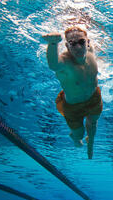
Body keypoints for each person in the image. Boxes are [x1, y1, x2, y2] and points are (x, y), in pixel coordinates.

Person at [43, 27, 102, 159]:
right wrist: (52, 44)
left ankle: (90, 142)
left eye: (81, 42)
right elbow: (53, 65)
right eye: (72, 43)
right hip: (73, 107)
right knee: (79, 133)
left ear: (88, 42)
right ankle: (76, 139)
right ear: (67, 45)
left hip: (94, 98)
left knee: (92, 124)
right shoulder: (64, 61)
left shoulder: (91, 52)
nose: (78, 47)